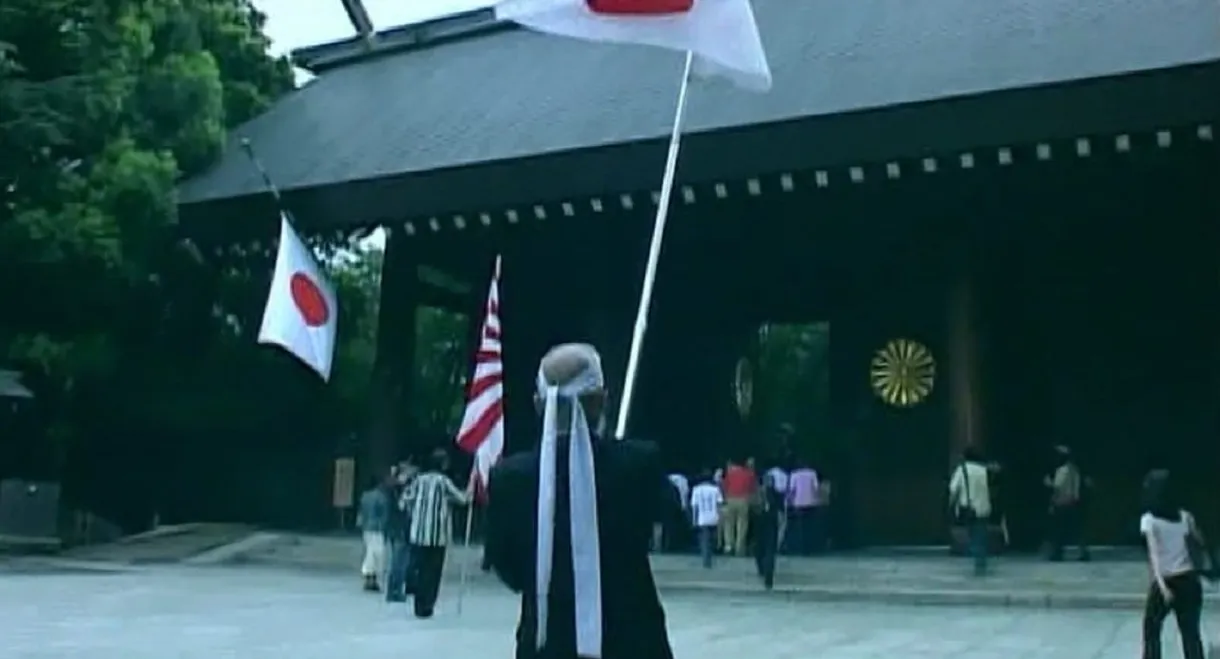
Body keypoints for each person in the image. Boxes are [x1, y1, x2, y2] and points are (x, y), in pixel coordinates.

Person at [485, 343, 675, 659]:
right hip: (633, 641)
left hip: (547, 644)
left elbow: (510, 570)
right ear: (602, 401)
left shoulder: (509, 478)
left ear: (537, 404)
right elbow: (666, 516)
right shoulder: (639, 464)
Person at [1139, 470, 1207, 659]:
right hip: (1189, 580)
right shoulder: (1185, 517)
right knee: (1191, 634)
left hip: (1167, 580)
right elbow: (1200, 542)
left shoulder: (1149, 520)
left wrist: (1161, 587)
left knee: (1151, 630)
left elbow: (1154, 557)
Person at [402, 448, 472, 618]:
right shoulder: (443, 482)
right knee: (432, 572)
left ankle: (418, 603)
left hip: (418, 534)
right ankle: (427, 605)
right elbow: (463, 499)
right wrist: (471, 488)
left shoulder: (419, 480)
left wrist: (414, 512)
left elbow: (404, 500)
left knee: (420, 569)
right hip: (437, 536)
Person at [948, 445, 991, 576]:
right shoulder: (984, 470)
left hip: (969, 507)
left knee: (971, 534)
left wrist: (950, 505)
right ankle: (981, 561)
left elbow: (954, 489)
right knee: (981, 534)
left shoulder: (962, 470)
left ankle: (977, 556)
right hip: (984, 506)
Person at [1045, 445, 1089, 562]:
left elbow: (1057, 486)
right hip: (1073, 502)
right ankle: (1083, 551)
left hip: (1062, 503)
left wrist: (1048, 482)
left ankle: (1058, 553)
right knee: (1076, 529)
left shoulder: (1062, 470)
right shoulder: (1075, 470)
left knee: (1059, 530)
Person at [385, 458, 418, 603]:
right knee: (399, 562)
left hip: (401, 528)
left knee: (403, 561)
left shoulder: (397, 488)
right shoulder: (396, 489)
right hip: (400, 528)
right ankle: (394, 590)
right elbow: (401, 506)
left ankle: (398, 588)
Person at [754, 462, 785, 589]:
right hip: (771, 522)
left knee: (759, 548)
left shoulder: (757, 493)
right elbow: (781, 511)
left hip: (760, 521)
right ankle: (768, 577)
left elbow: (753, 508)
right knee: (770, 550)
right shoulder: (777, 494)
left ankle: (762, 569)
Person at [356, 474, 390, 592]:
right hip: (378, 528)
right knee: (377, 554)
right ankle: (372, 577)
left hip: (366, 528)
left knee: (370, 552)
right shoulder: (381, 497)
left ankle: (368, 576)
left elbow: (361, 512)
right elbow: (385, 514)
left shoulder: (365, 496)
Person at [720, 457, 756, 556]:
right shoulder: (749, 474)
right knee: (742, 526)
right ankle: (739, 548)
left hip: (730, 499)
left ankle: (729, 546)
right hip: (743, 500)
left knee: (728, 524)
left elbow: (724, 486)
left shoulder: (730, 474)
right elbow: (752, 489)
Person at [689, 471, 721, 569]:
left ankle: (706, 560)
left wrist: (694, 520)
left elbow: (695, 507)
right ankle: (709, 556)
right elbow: (719, 504)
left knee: (704, 540)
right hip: (714, 517)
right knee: (712, 539)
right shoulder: (716, 489)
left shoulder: (696, 489)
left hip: (702, 518)